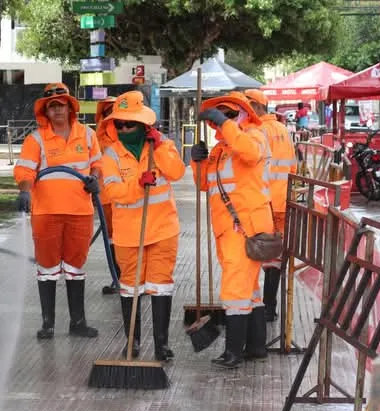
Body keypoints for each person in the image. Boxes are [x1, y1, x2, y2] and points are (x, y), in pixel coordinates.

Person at [99, 91, 187, 361]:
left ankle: (162, 344)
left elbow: (177, 172)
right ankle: (133, 342)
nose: (124, 128)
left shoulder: (162, 146)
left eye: (130, 124)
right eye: (120, 124)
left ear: (143, 125)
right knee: (130, 288)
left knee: (160, 286)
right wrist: (137, 185)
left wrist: (159, 146)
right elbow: (112, 192)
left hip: (162, 229)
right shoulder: (111, 155)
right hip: (128, 234)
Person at [190, 91, 274, 368]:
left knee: (235, 289)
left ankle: (233, 352)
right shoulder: (220, 148)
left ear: (243, 113)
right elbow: (204, 185)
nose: (223, 120)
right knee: (248, 289)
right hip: (227, 228)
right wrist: (197, 161)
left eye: (228, 114)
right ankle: (256, 346)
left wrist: (225, 126)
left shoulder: (254, 136)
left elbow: (249, 154)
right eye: (220, 116)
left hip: (245, 227)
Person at [13, 83, 102, 340]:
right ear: (47, 112)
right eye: (52, 107)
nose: (57, 110)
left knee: (75, 267)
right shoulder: (36, 139)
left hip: (80, 212)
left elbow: (97, 163)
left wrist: (95, 177)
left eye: (61, 105)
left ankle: (78, 322)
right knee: (48, 268)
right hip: (47, 214)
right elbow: (25, 171)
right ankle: (48, 324)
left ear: (70, 107)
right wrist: (25, 191)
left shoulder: (87, 135)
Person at [245, 89, 297, 327]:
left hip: (264, 201)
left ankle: (258, 306)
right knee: (275, 256)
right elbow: (293, 167)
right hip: (283, 201)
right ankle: (270, 306)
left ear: (255, 107)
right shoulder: (282, 130)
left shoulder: (258, 132)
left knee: (258, 254)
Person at [95, 96, 120, 293]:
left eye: (114, 110)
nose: (111, 115)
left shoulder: (130, 133)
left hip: (128, 198)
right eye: (107, 111)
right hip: (106, 199)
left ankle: (135, 280)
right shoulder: (97, 140)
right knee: (112, 240)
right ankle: (118, 277)